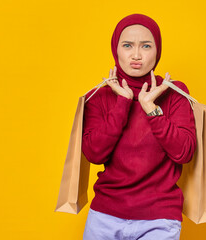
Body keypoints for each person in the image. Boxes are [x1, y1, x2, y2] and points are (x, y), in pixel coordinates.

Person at [81, 13, 197, 240]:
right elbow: (94, 153)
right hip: (105, 216)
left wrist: (150, 108)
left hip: (160, 218)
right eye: (127, 45)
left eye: (146, 46)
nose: (136, 55)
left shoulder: (174, 93)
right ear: (116, 49)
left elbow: (184, 152)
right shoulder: (99, 96)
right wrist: (122, 103)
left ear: (157, 50)